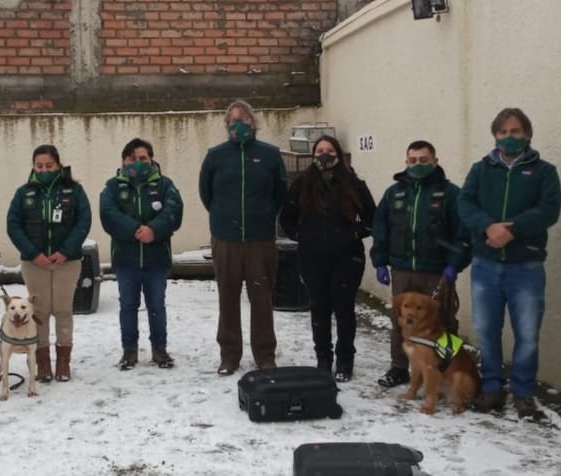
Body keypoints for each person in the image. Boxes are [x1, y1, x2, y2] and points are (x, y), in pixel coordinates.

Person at [458, 108, 561, 420]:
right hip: (485, 266)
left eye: (515, 132)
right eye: (503, 132)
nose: (509, 137)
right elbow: (465, 203)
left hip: (525, 267)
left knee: (527, 333)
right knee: (487, 331)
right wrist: (488, 226)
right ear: (495, 135)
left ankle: (524, 393)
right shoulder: (481, 169)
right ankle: (491, 389)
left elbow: (549, 210)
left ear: (527, 135)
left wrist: (511, 229)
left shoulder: (544, 171)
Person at [370, 140, 470, 388]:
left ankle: (446, 369)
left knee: (443, 321)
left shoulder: (450, 194)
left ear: (435, 161)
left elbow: (463, 234)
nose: (418, 165)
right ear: (406, 163)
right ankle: (399, 367)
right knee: (401, 321)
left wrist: (454, 264)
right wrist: (380, 261)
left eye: (423, 160)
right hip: (403, 271)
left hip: (437, 271)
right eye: (413, 160)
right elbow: (381, 229)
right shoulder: (394, 194)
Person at [198, 99, 287, 376]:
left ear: (254, 123)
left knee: (261, 298)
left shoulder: (270, 155)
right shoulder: (215, 156)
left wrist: (262, 216)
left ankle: (264, 354)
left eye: (245, 119)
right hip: (226, 239)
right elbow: (206, 193)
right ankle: (229, 355)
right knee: (228, 297)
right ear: (227, 125)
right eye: (234, 120)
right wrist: (224, 217)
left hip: (260, 240)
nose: (240, 124)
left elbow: (280, 194)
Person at [279, 135, 375, 382]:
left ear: (338, 153)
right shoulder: (302, 184)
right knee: (319, 309)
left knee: (344, 310)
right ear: (313, 155)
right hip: (312, 258)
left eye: (329, 150)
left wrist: (353, 234)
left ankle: (345, 360)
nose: (324, 154)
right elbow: (287, 217)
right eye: (319, 150)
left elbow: (372, 219)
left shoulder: (353, 183)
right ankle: (323, 358)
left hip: (347, 258)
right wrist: (302, 235)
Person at [7, 144, 91, 382]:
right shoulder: (24, 193)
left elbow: (83, 221)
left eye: (49, 166)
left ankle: (63, 362)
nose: (44, 170)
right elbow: (13, 225)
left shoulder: (74, 191)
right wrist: (33, 253)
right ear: (33, 167)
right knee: (39, 312)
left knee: (63, 310)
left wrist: (66, 250)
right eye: (39, 166)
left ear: (58, 165)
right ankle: (42, 363)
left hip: (67, 261)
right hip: (35, 264)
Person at [100, 138, 183, 370]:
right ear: (124, 161)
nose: (138, 162)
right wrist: (135, 230)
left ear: (152, 159)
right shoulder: (113, 186)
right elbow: (108, 214)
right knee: (128, 305)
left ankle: (160, 350)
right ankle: (129, 352)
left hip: (156, 259)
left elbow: (174, 211)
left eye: (143, 158)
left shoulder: (165, 185)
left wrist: (154, 230)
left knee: (156, 305)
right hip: (126, 259)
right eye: (132, 159)